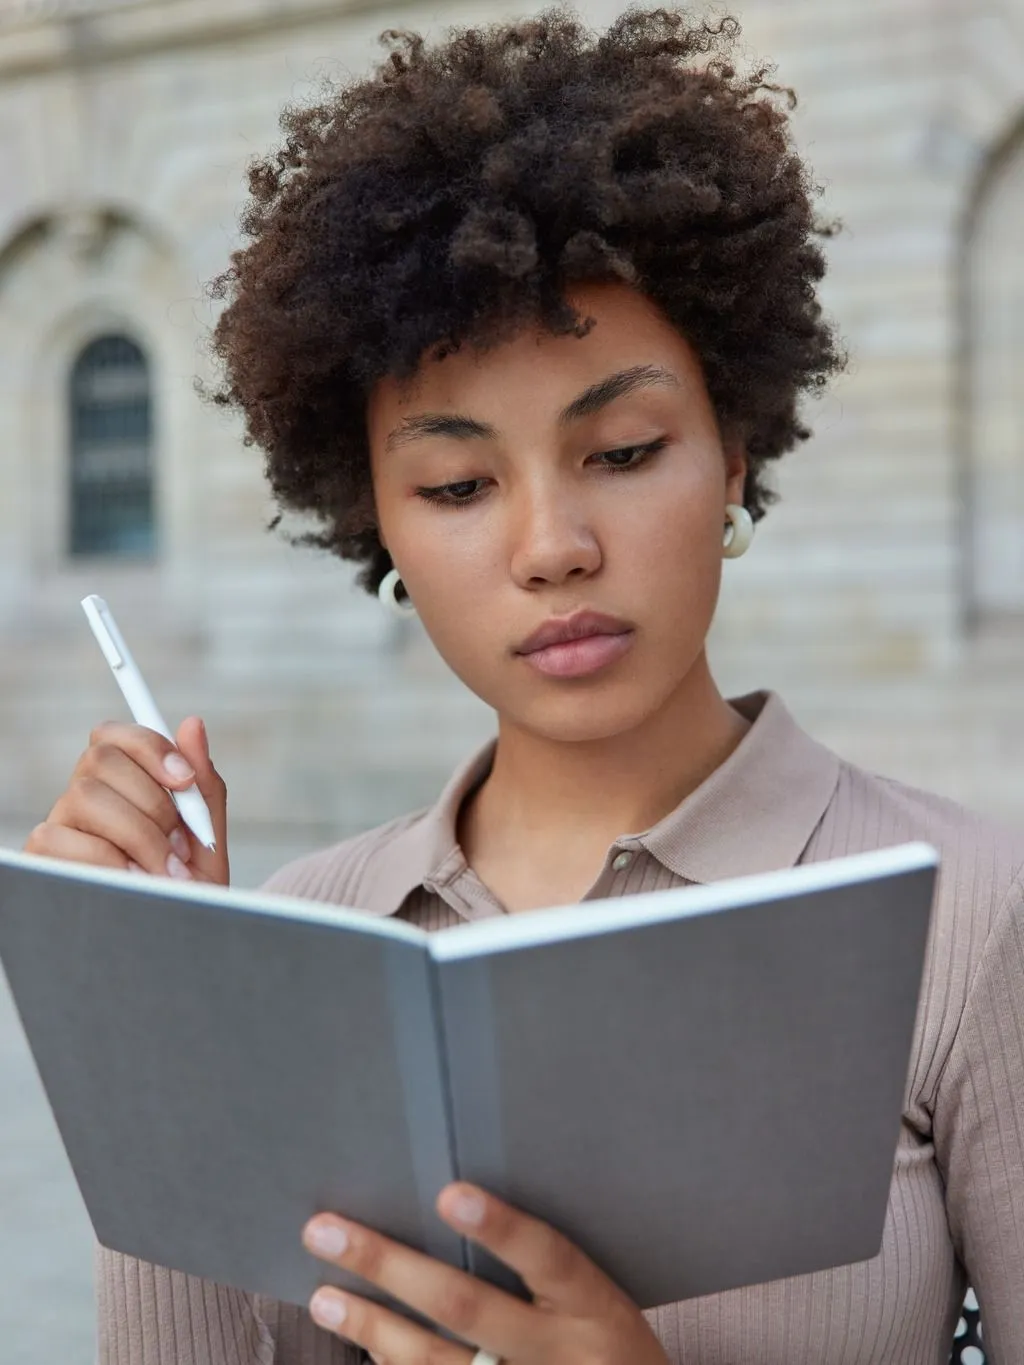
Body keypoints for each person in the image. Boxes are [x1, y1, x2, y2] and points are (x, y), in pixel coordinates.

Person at [25, 8, 1024, 1364]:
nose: (551, 548)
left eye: (621, 449)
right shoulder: (311, 935)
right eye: (455, 485)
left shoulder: (967, 920)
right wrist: (160, 1016)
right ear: (378, 520)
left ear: (731, 450)